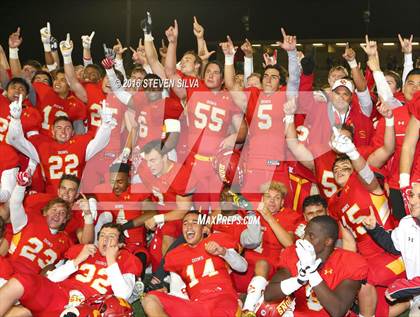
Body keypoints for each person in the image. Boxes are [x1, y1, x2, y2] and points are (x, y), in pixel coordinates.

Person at [328, 134, 405, 317]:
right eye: (336, 168)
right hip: (368, 258)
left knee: (363, 278)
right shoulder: (334, 202)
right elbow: (348, 242)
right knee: (377, 310)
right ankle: (412, 300)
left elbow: (367, 176)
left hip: (392, 252)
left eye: (345, 167)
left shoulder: (361, 181)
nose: (339, 170)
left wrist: (352, 153)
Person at [0, 223, 142, 317]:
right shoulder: (85, 251)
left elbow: (123, 294)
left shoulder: (127, 259)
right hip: (57, 294)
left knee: (24, 312)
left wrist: (111, 261)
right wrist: (77, 260)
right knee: (20, 280)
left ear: (121, 244)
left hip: (86, 307)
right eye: (102, 236)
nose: (105, 240)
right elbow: (50, 279)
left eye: (111, 237)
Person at [141, 210, 247, 317]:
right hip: (197, 305)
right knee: (150, 299)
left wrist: (223, 252)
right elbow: (177, 291)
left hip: (222, 299)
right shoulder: (176, 255)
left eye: (194, 222)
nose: (189, 226)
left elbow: (243, 267)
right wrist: (169, 295)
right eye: (185, 223)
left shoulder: (217, 241)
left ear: (204, 229)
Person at [6, 95, 115, 193]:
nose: (63, 131)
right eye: (59, 128)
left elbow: (100, 142)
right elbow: (15, 140)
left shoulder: (79, 144)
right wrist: (15, 120)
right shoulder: (44, 146)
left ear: (73, 132)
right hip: (51, 197)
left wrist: (106, 124)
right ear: (52, 132)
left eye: (67, 128)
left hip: (75, 196)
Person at [264, 215, 368, 317]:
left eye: (311, 236)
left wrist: (312, 273)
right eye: (305, 234)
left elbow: (337, 311)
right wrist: (298, 280)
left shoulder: (349, 262)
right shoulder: (293, 254)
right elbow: (269, 295)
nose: (305, 239)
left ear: (328, 241)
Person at [363, 180, 420, 316]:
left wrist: (401, 288)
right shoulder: (407, 223)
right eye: (411, 195)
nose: (412, 201)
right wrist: (374, 229)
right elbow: (393, 245)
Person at [139, 140, 195, 271]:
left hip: (178, 217)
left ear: (165, 156)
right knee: (155, 254)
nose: (149, 165)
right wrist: (150, 214)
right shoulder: (146, 171)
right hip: (161, 215)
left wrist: (157, 219)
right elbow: (149, 198)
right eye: (147, 161)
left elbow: (183, 211)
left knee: (167, 243)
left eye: (153, 160)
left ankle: (168, 277)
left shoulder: (181, 174)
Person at [94, 162, 156, 277]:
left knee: (139, 261)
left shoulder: (138, 191)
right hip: (112, 245)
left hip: (136, 246)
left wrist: (123, 227)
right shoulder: (101, 191)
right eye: (112, 182)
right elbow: (87, 198)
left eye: (120, 182)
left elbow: (151, 213)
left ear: (128, 180)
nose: (115, 186)